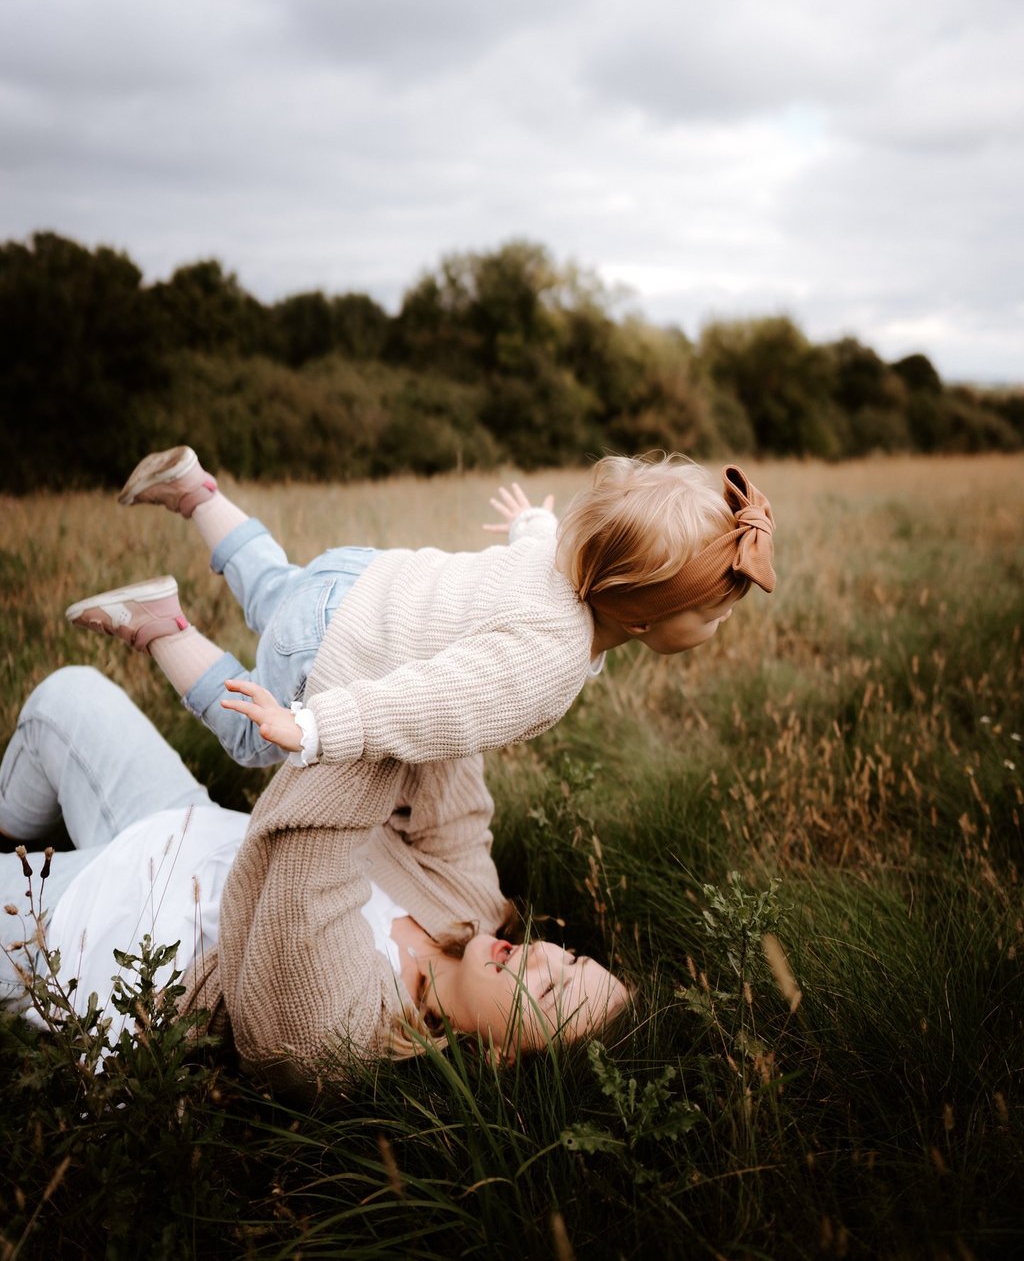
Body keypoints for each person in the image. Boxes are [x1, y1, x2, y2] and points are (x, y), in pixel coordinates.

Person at [1, 668, 630, 1091]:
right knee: (67, 695)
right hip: (185, 826)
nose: (544, 955)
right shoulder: (472, 910)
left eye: (551, 990)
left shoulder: (349, 1039)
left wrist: (366, 720)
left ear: (502, 1058)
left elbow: (305, 842)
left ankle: (26, 882)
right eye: (571, 957)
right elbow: (451, 750)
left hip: (89, 930)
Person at [63, 446, 776, 772]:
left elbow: (547, 538)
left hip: (360, 576)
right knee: (253, 738)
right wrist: (313, 727)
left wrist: (531, 520)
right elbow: (428, 704)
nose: (722, 624)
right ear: (643, 619)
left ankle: (196, 492)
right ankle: (159, 625)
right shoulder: (550, 660)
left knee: (277, 588)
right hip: (328, 648)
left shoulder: (563, 558)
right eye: (713, 614)